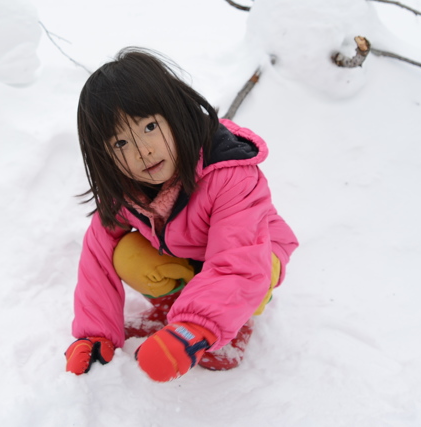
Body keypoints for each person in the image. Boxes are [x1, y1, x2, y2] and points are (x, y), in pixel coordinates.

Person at [65, 48, 299, 382]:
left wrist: (194, 330)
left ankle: (230, 318)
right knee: (125, 254)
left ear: (175, 115)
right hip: (193, 257)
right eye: (120, 143)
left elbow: (238, 262)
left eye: (148, 126)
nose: (142, 150)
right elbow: (97, 258)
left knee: (258, 272)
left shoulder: (230, 175)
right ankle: (176, 306)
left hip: (254, 253)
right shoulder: (126, 189)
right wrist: (95, 334)